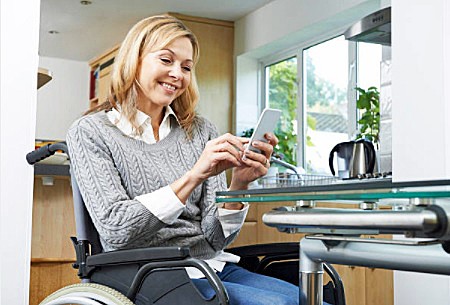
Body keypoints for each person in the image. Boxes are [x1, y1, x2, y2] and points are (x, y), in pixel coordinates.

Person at [66, 15, 301, 305]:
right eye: (166, 60)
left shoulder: (200, 130)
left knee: (312, 298)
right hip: (147, 273)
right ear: (134, 61)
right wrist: (193, 176)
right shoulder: (91, 131)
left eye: (186, 67)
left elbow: (215, 238)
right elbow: (116, 231)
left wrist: (239, 183)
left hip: (210, 266)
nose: (178, 74)